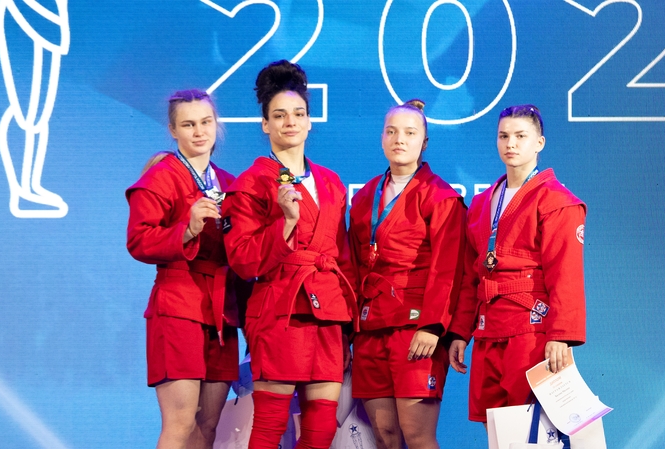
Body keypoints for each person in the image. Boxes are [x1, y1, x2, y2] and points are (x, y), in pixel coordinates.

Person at [221, 60, 356, 449]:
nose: (290, 122)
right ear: (265, 124)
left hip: (328, 313)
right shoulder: (250, 183)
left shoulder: (331, 182)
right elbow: (243, 258)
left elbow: (343, 255)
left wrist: (349, 324)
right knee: (270, 426)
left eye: (298, 114)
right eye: (279, 115)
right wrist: (286, 223)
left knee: (321, 429)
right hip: (279, 308)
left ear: (310, 121)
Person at [447, 104, 587, 426]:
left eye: (520, 136)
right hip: (488, 330)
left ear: (539, 143)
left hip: (531, 330)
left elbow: (565, 274)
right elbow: (471, 277)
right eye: (504, 136)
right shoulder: (481, 204)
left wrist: (561, 336)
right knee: (495, 429)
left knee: (529, 432)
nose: (510, 144)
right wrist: (461, 331)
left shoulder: (557, 201)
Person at [347, 99, 467, 449]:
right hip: (370, 329)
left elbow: (448, 269)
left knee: (417, 435)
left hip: (415, 329)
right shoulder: (364, 197)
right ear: (382, 138)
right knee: (384, 435)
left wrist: (432, 326)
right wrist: (348, 330)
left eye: (410, 133)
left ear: (424, 142)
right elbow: (352, 265)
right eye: (392, 131)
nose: (400, 139)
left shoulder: (441, 197)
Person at [126, 89, 240, 449]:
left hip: (221, 312)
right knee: (180, 422)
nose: (199, 131)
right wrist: (187, 229)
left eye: (206, 122)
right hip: (178, 305)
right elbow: (139, 241)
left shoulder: (230, 183)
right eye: (188, 125)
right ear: (173, 130)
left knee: (208, 427)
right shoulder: (161, 177)